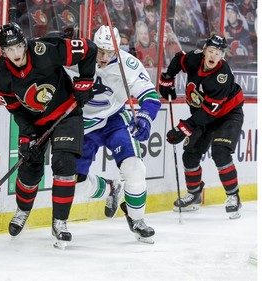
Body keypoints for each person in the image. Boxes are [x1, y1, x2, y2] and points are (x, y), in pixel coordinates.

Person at [0, 22, 97, 249]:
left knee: (64, 163)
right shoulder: (0, 74)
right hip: (35, 122)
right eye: (9, 50)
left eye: (19, 47)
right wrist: (26, 135)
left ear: (25, 44)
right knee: (29, 168)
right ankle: (22, 211)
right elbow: (15, 109)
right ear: (3, 51)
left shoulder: (45, 51)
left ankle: (59, 221)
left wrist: (85, 81)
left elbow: (89, 48)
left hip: (66, 112)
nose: (16, 54)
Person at [67, 25, 161, 243]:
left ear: (118, 50)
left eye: (110, 52)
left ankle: (137, 220)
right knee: (76, 185)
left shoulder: (128, 64)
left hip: (113, 120)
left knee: (134, 168)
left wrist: (145, 116)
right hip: (83, 123)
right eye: (100, 50)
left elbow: (150, 95)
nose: (104, 57)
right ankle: (111, 188)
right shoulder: (76, 57)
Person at [158, 34, 244, 219]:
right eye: (211, 51)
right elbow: (178, 58)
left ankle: (233, 197)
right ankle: (195, 195)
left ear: (223, 56)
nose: (214, 56)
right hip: (204, 115)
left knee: (220, 152)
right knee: (190, 154)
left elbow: (209, 112)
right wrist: (167, 78)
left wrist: (184, 127)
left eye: (219, 53)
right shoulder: (195, 58)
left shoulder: (222, 76)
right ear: (204, 50)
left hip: (228, 115)